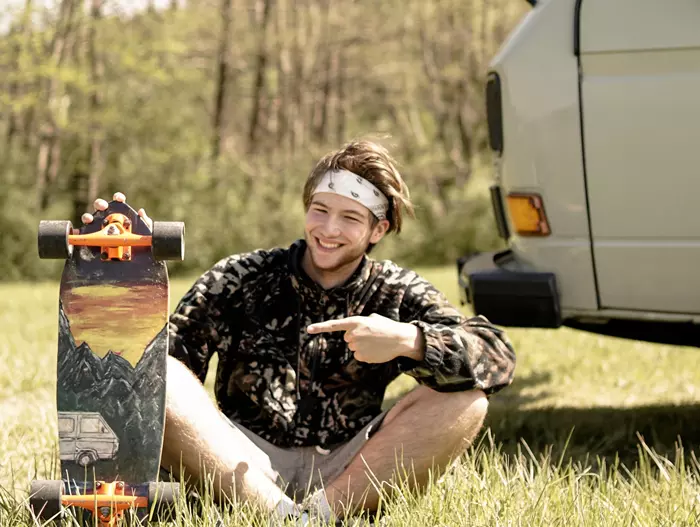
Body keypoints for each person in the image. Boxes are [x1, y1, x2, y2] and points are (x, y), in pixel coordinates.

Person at [83, 140, 516, 525]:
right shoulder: (241, 275)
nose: (328, 230)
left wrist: (409, 341)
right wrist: (124, 273)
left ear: (377, 230)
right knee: (161, 372)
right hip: (240, 463)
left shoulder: (397, 290)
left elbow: (497, 356)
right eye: (320, 210)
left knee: (466, 399)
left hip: (352, 472)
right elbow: (152, 374)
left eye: (350, 218)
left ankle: (318, 515)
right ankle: (280, 516)